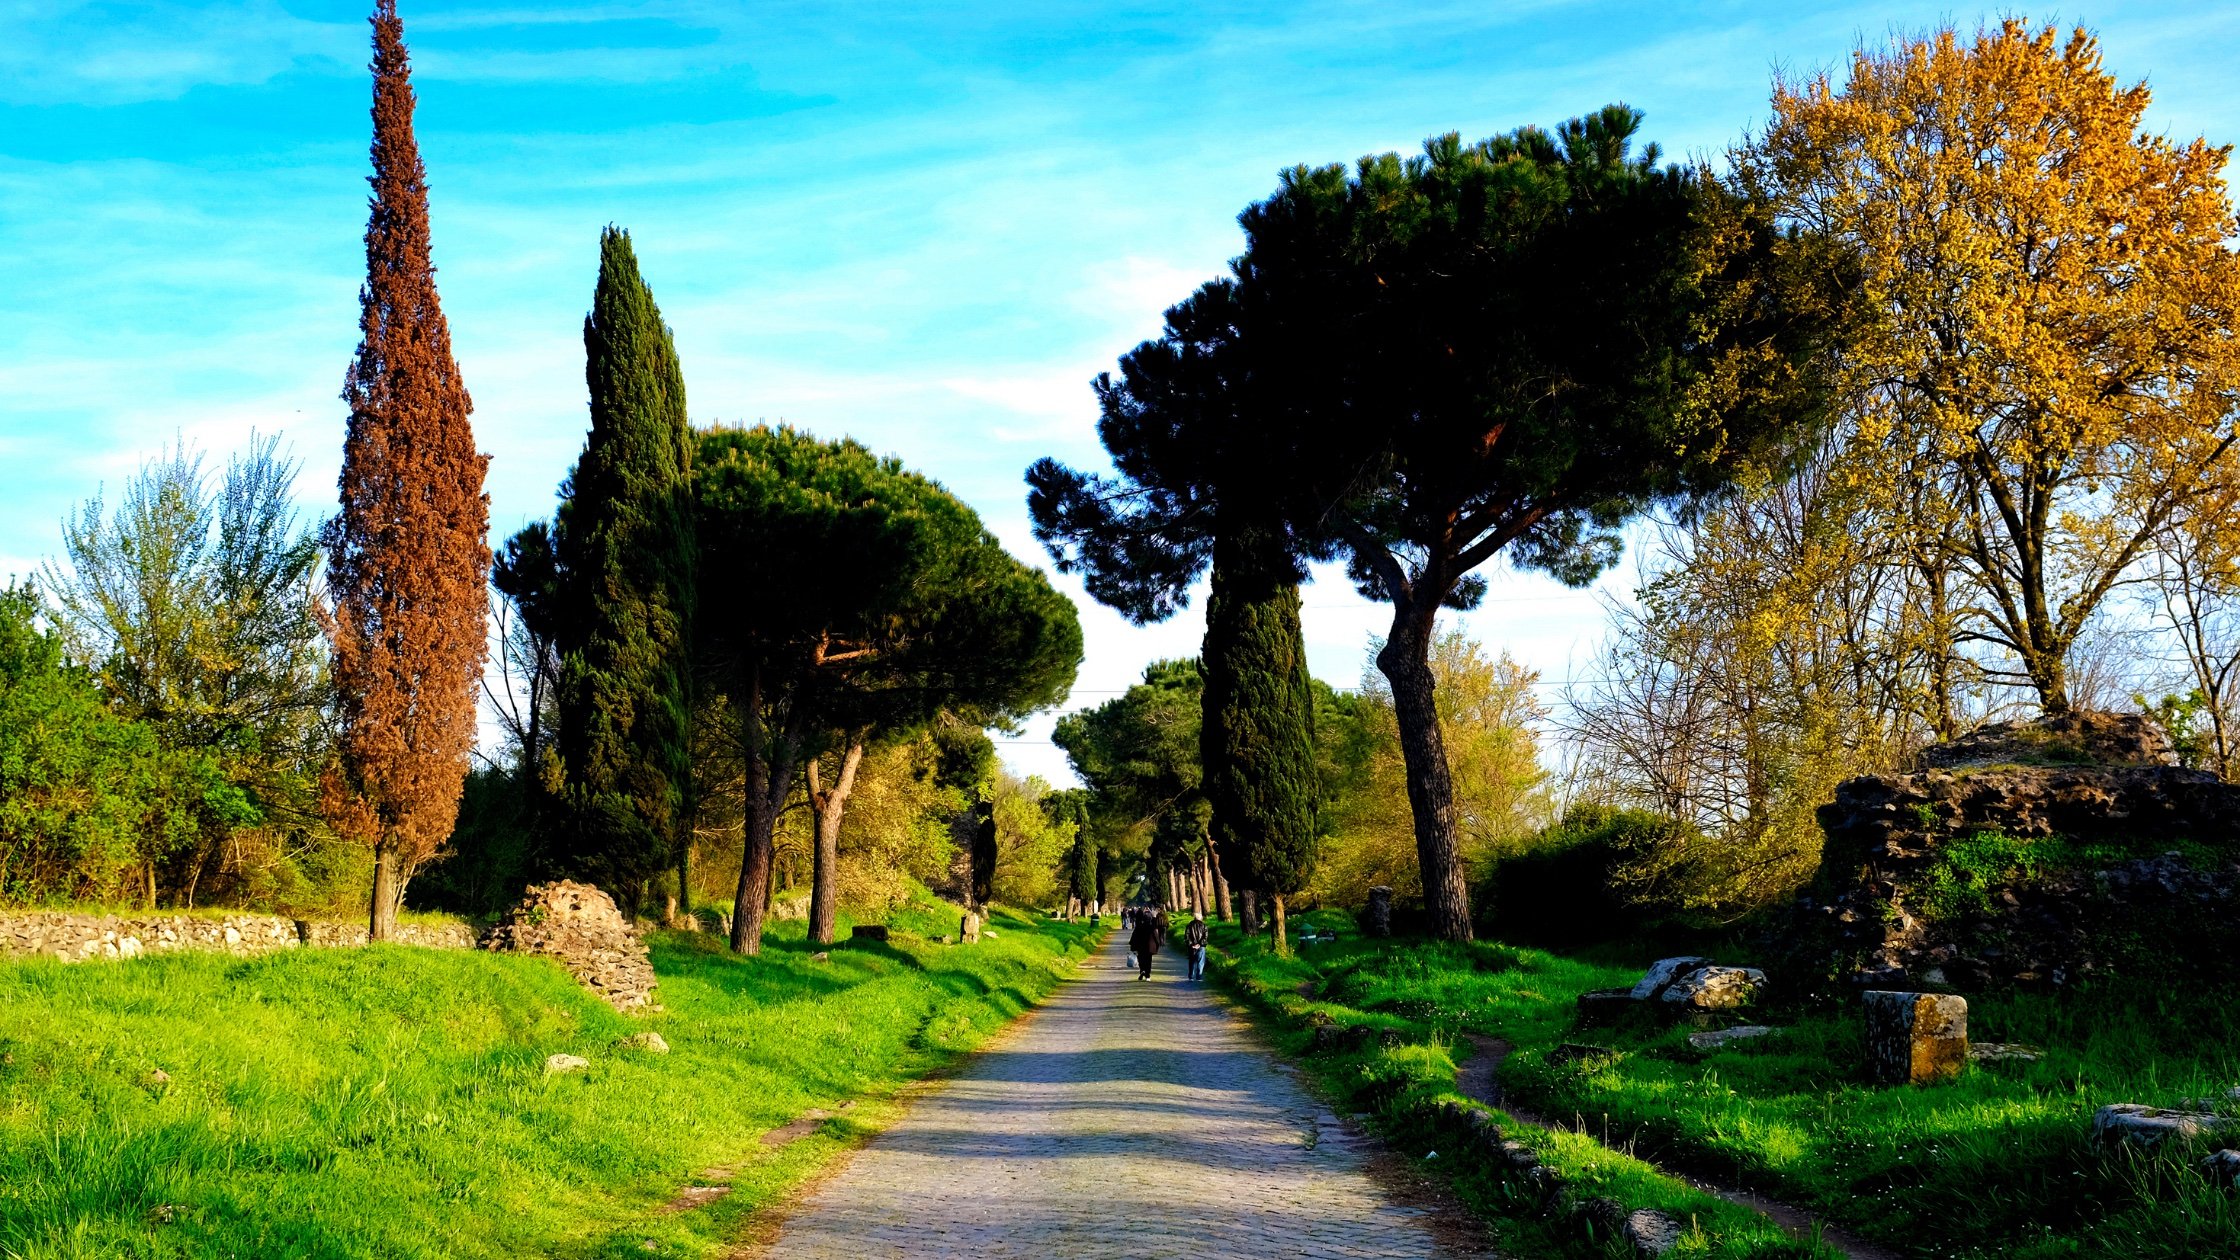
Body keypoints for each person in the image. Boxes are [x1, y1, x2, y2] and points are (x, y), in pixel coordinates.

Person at [1128, 908, 1161, 980]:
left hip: (1140, 947)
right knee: (1148, 961)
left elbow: (1134, 937)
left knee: (1141, 960)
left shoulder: (1139, 927)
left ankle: (1142, 970)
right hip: (1149, 947)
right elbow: (1156, 935)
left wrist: (1132, 947)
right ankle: (1148, 975)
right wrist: (1157, 945)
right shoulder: (1151, 927)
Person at [1184, 912, 1209, 981]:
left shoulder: (1189, 925)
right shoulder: (1204, 925)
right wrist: (1200, 944)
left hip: (1191, 947)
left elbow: (1186, 936)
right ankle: (1199, 977)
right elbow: (1205, 937)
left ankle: (1191, 977)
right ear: (1201, 918)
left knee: (1191, 961)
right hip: (1201, 947)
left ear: (1194, 918)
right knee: (1200, 962)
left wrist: (1191, 944)